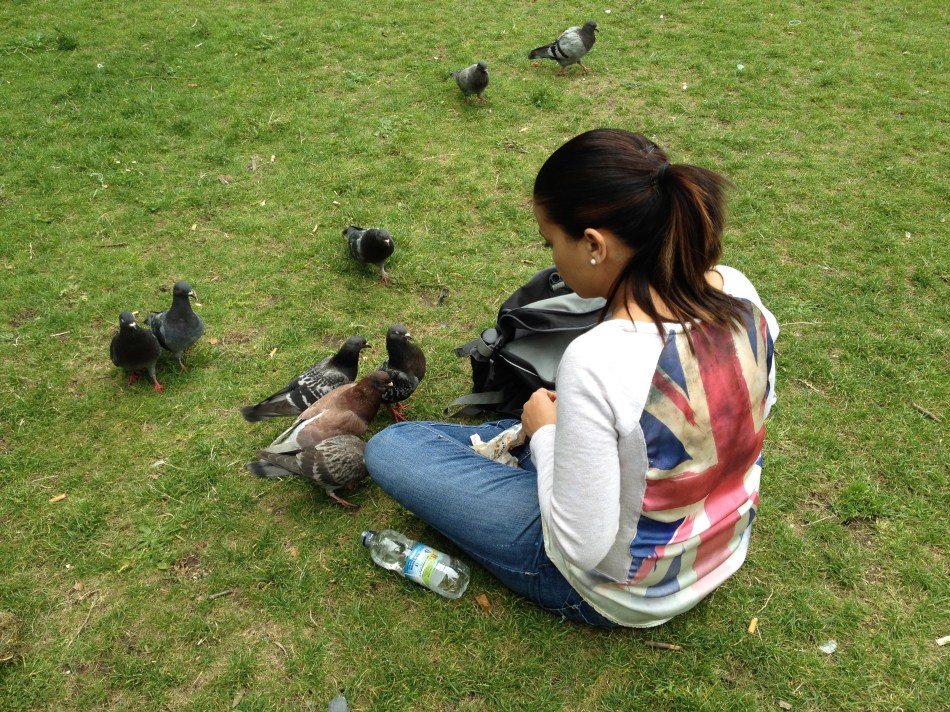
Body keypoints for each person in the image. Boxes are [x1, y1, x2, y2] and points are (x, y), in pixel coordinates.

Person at [364, 129, 778, 627]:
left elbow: (580, 545)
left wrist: (548, 437)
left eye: (550, 241)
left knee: (396, 447)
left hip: (625, 590)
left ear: (594, 245)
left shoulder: (599, 358)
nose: (550, 256)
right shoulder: (738, 291)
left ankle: (541, 441)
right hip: (720, 546)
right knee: (554, 428)